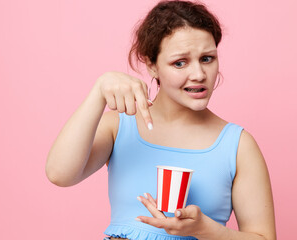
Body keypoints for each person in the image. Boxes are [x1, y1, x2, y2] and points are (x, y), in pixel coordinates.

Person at [45, 0, 276, 239]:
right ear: (151, 65)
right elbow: (60, 174)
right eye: (180, 62)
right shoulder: (120, 125)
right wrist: (99, 91)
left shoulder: (238, 145)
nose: (198, 75)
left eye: (207, 58)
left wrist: (204, 229)